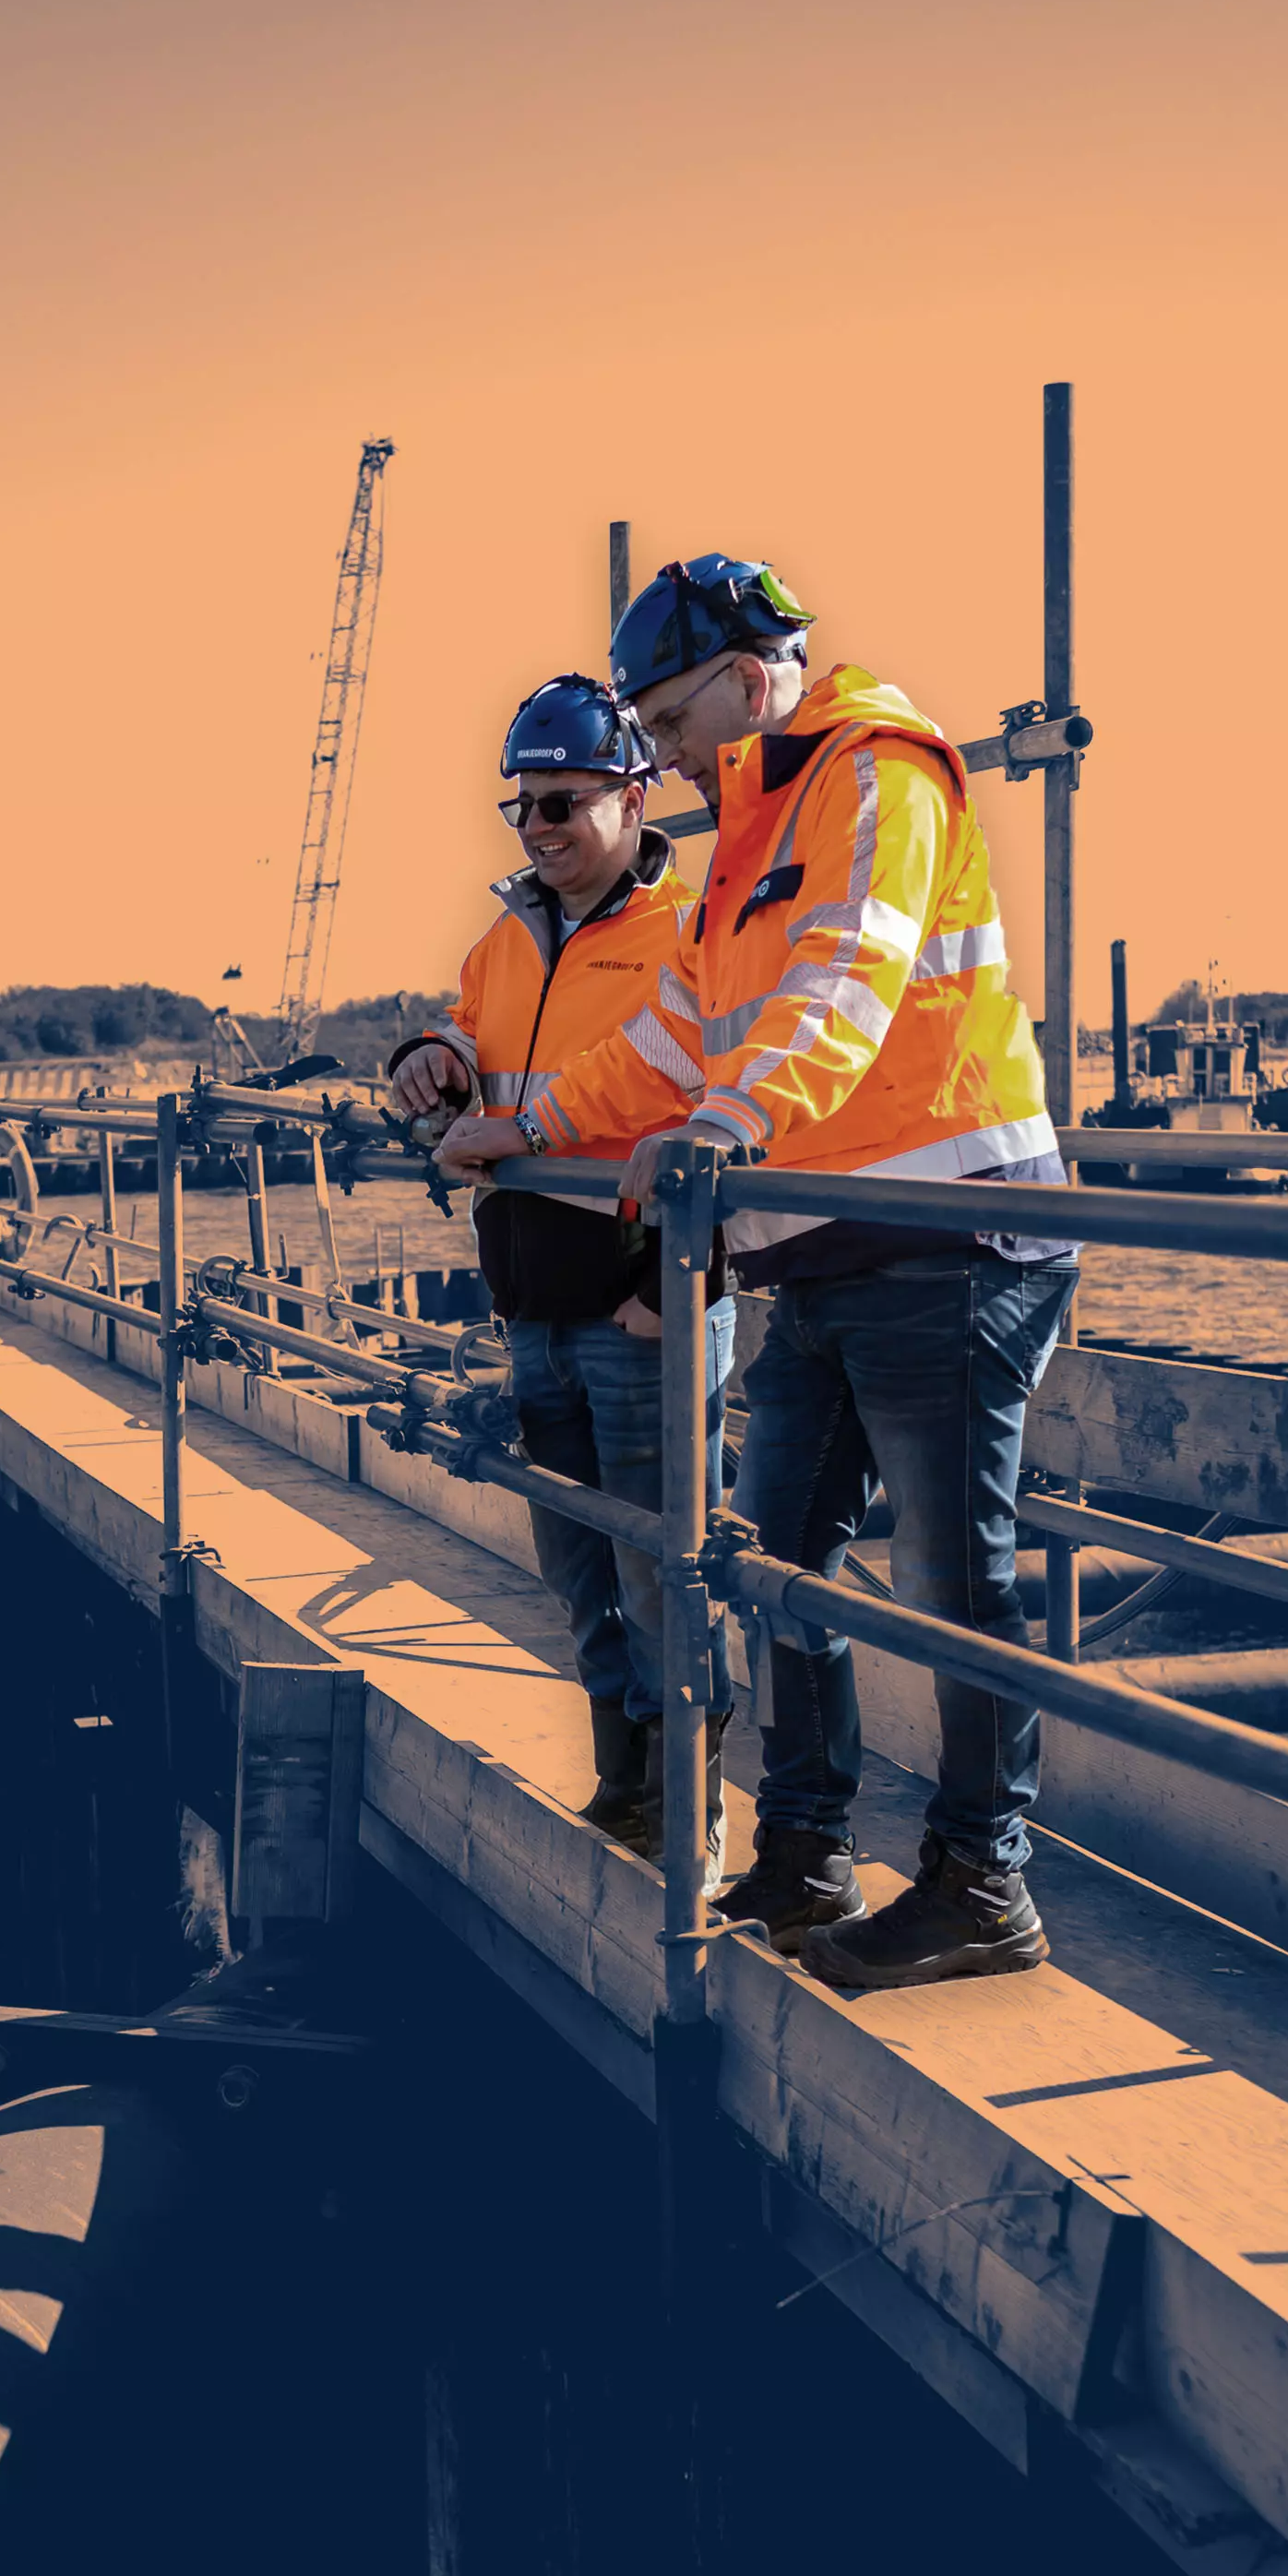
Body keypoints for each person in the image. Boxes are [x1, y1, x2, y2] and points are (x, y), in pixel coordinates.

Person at [515, 555, 1077, 1986]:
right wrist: (531, 1122)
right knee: (771, 1569)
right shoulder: (751, 829)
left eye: (667, 713)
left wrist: (727, 1121)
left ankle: (980, 1881)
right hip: (827, 1254)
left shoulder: (875, 774)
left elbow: (849, 975)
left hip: (948, 1239)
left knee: (957, 1580)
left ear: (746, 674)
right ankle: (807, 1852)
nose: (663, 750)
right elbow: (678, 1033)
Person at [388, 674, 734, 1880]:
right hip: (534, 1308)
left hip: (641, 1308)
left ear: (636, 798)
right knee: (580, 1567)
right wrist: (430, 1061)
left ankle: (690, 1810)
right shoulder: (506, 940)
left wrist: (680, 1290)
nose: (539, 829)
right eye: (522, 808)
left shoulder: (693, 939)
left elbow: (739, 1123)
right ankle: (625, 1783)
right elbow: (467, 1037)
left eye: (563, 804)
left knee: (662, 1567)